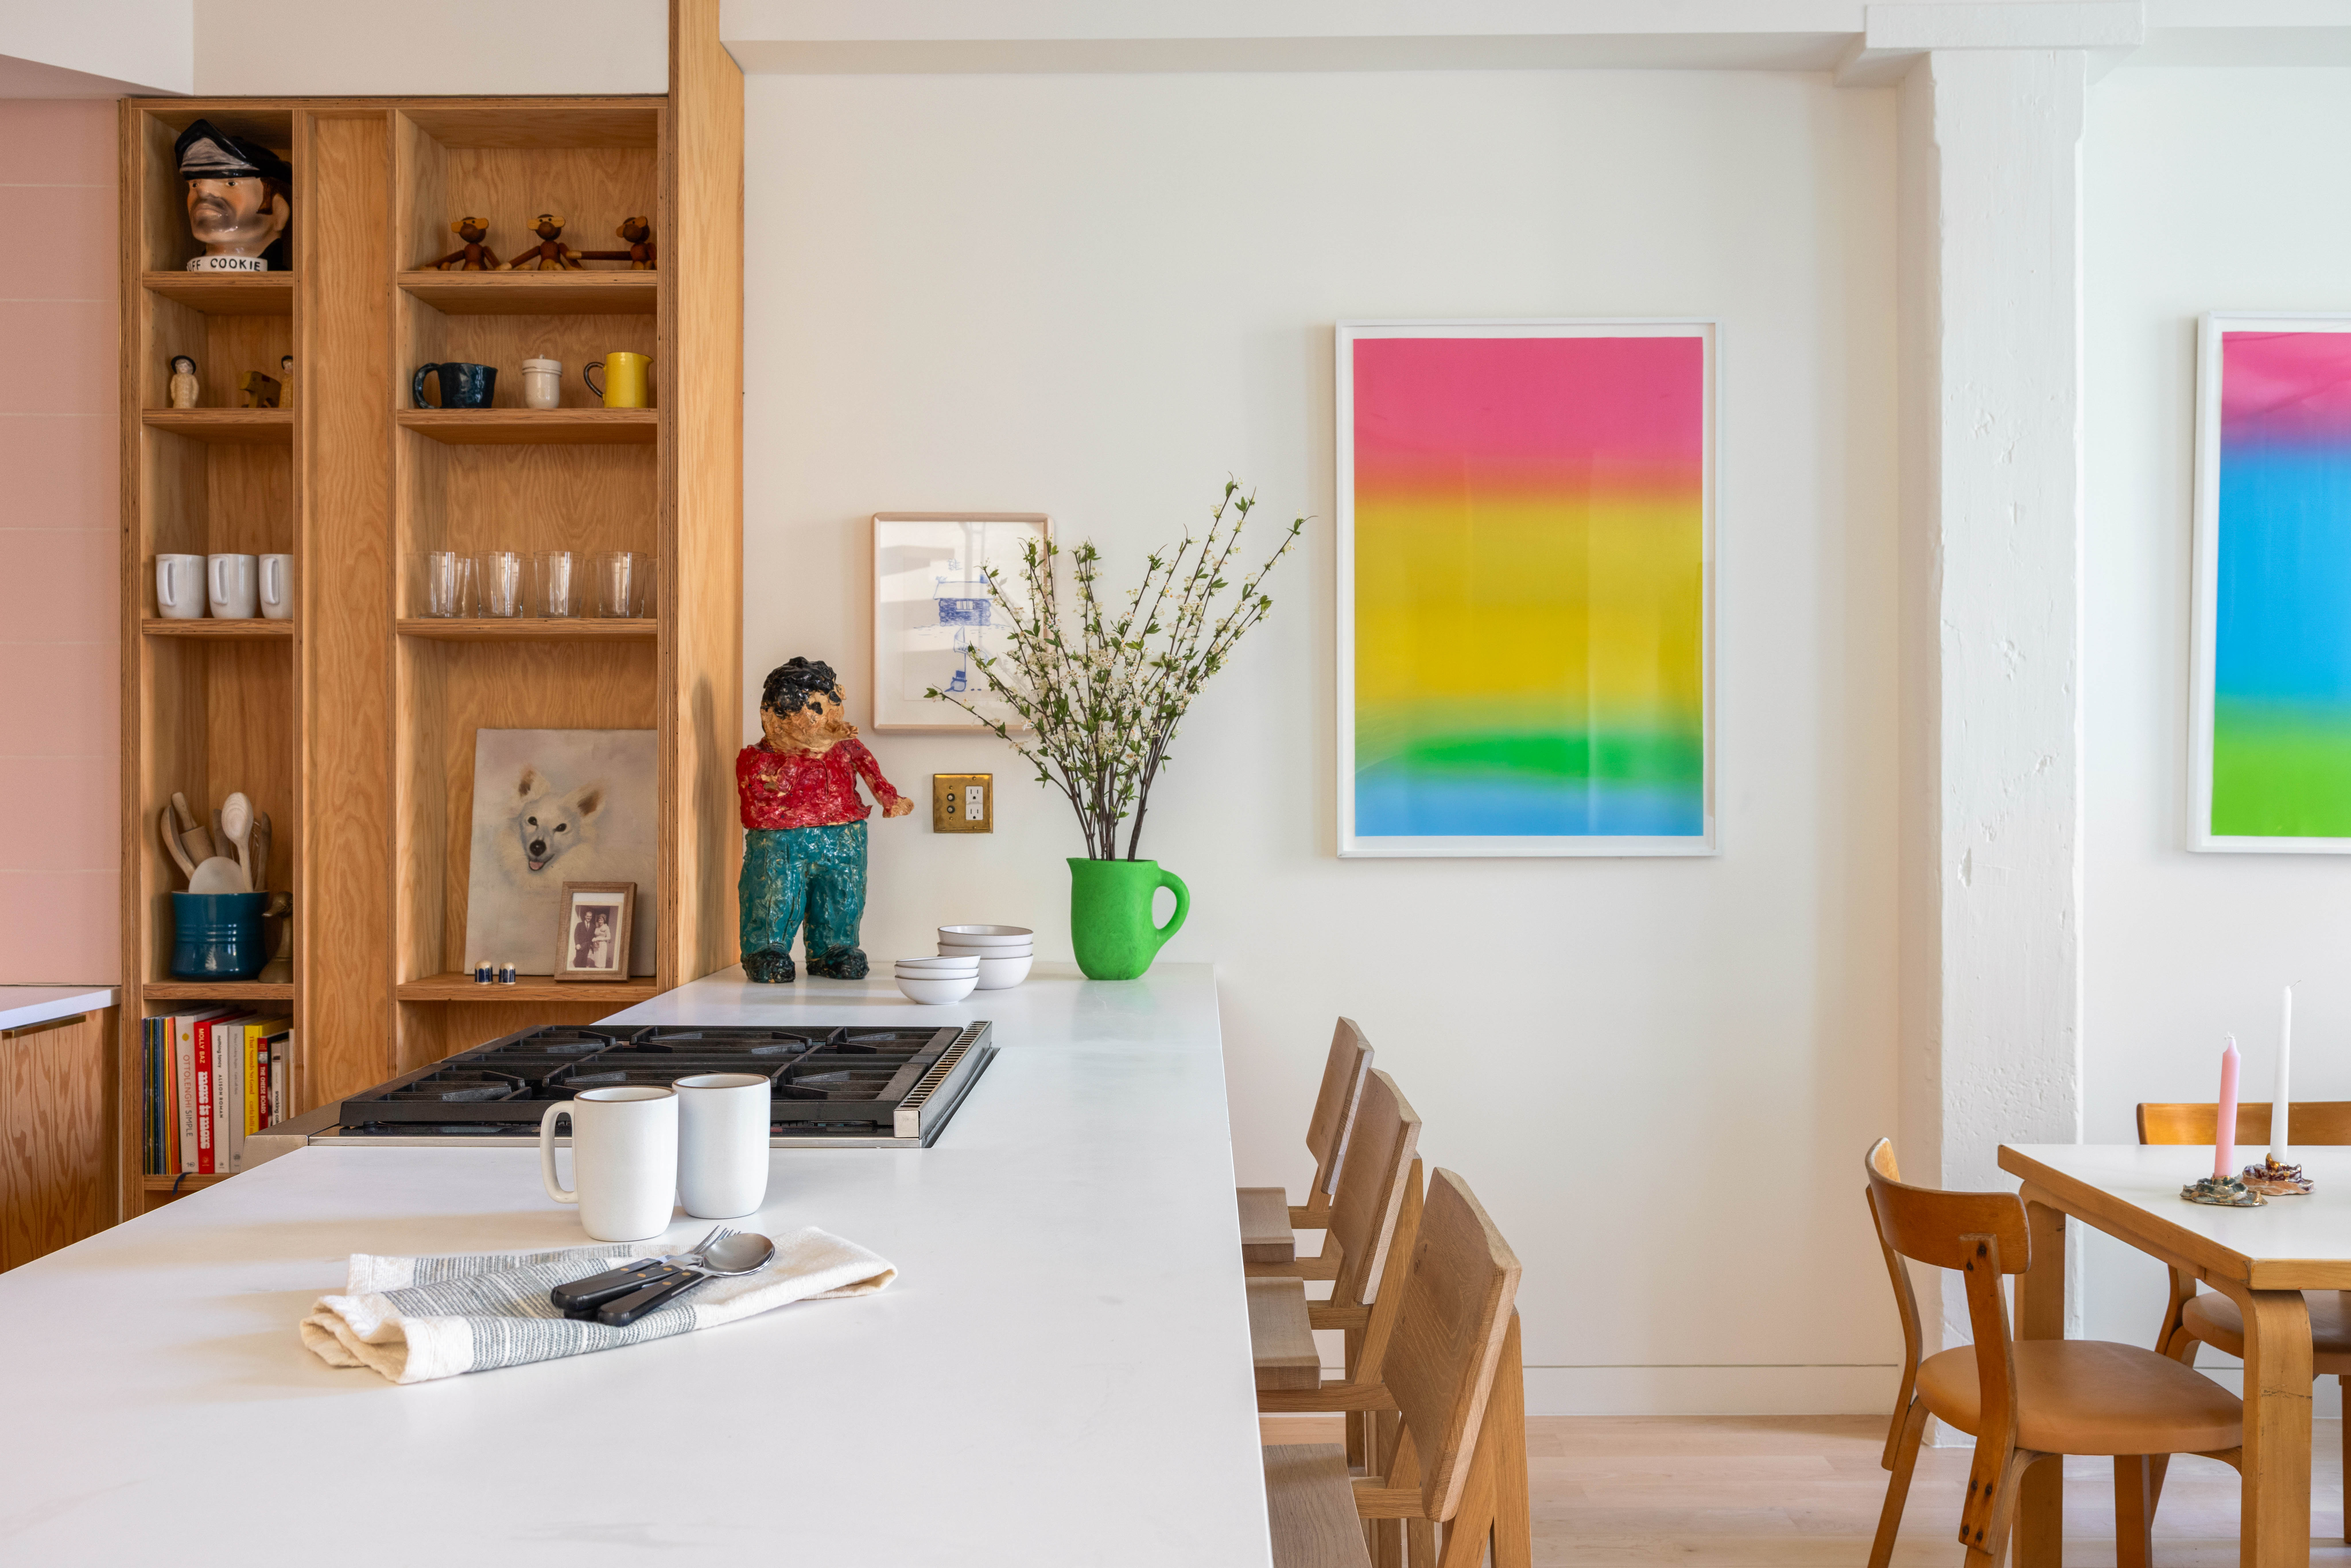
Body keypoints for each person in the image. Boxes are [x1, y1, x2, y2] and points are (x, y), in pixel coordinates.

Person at [736, 657, 912, 982]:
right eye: (815, 708)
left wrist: (889, 798)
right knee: (776, 894)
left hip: (844, 833)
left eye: (833, 700)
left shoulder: (845, 747)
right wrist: (803, 754)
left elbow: (869, 768)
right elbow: (766, 790)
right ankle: (767, 949)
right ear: (774, 716)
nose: (830, 714)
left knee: (842, 893)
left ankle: (834, 949)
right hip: (781, 839)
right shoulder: (758, 758)